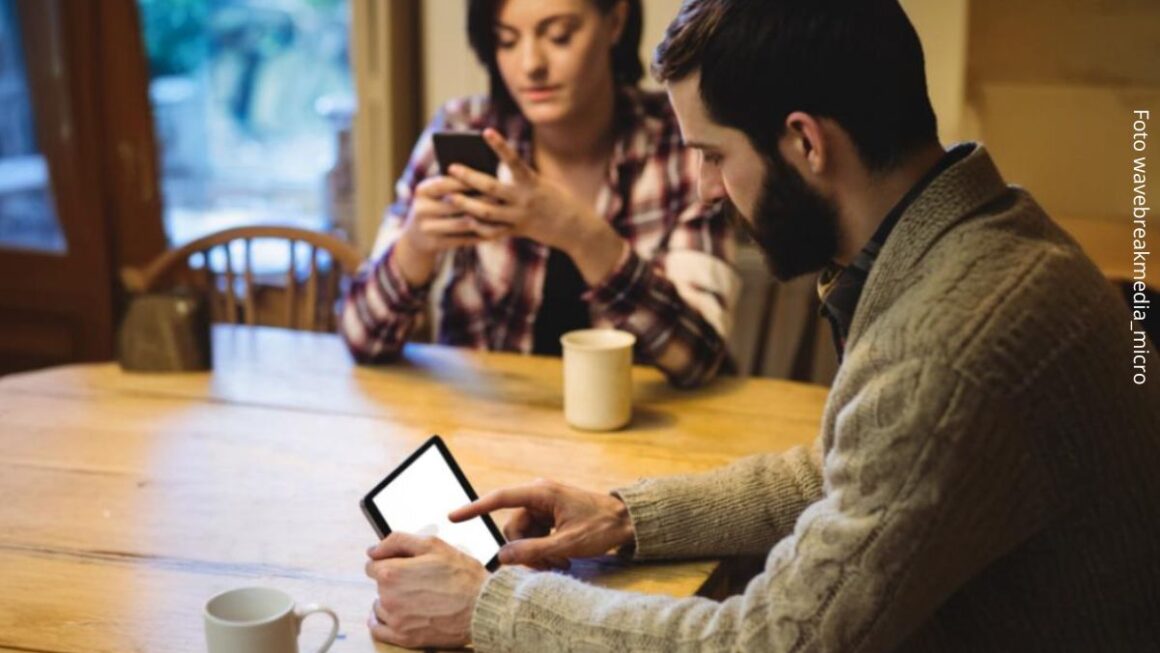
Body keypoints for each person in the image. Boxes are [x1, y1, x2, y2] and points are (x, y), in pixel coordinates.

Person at [363, 0, 1160, 650]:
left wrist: (493, 607)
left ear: (806, 142)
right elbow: (848, 468)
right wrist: (623, 516)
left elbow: (775, 640)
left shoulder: (946, 347)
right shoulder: (980, 234)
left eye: (713, 155)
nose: (708, 189)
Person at [340, 0, 738, 388]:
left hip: (643, 433)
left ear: (615, 22)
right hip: (489, 423)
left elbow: (698, 358)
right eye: (507, 40)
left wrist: (580, 235)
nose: (531, 65)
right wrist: (415, 247)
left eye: (559, 36)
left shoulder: (676, 143)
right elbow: (361, 338)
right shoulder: (466, 128)